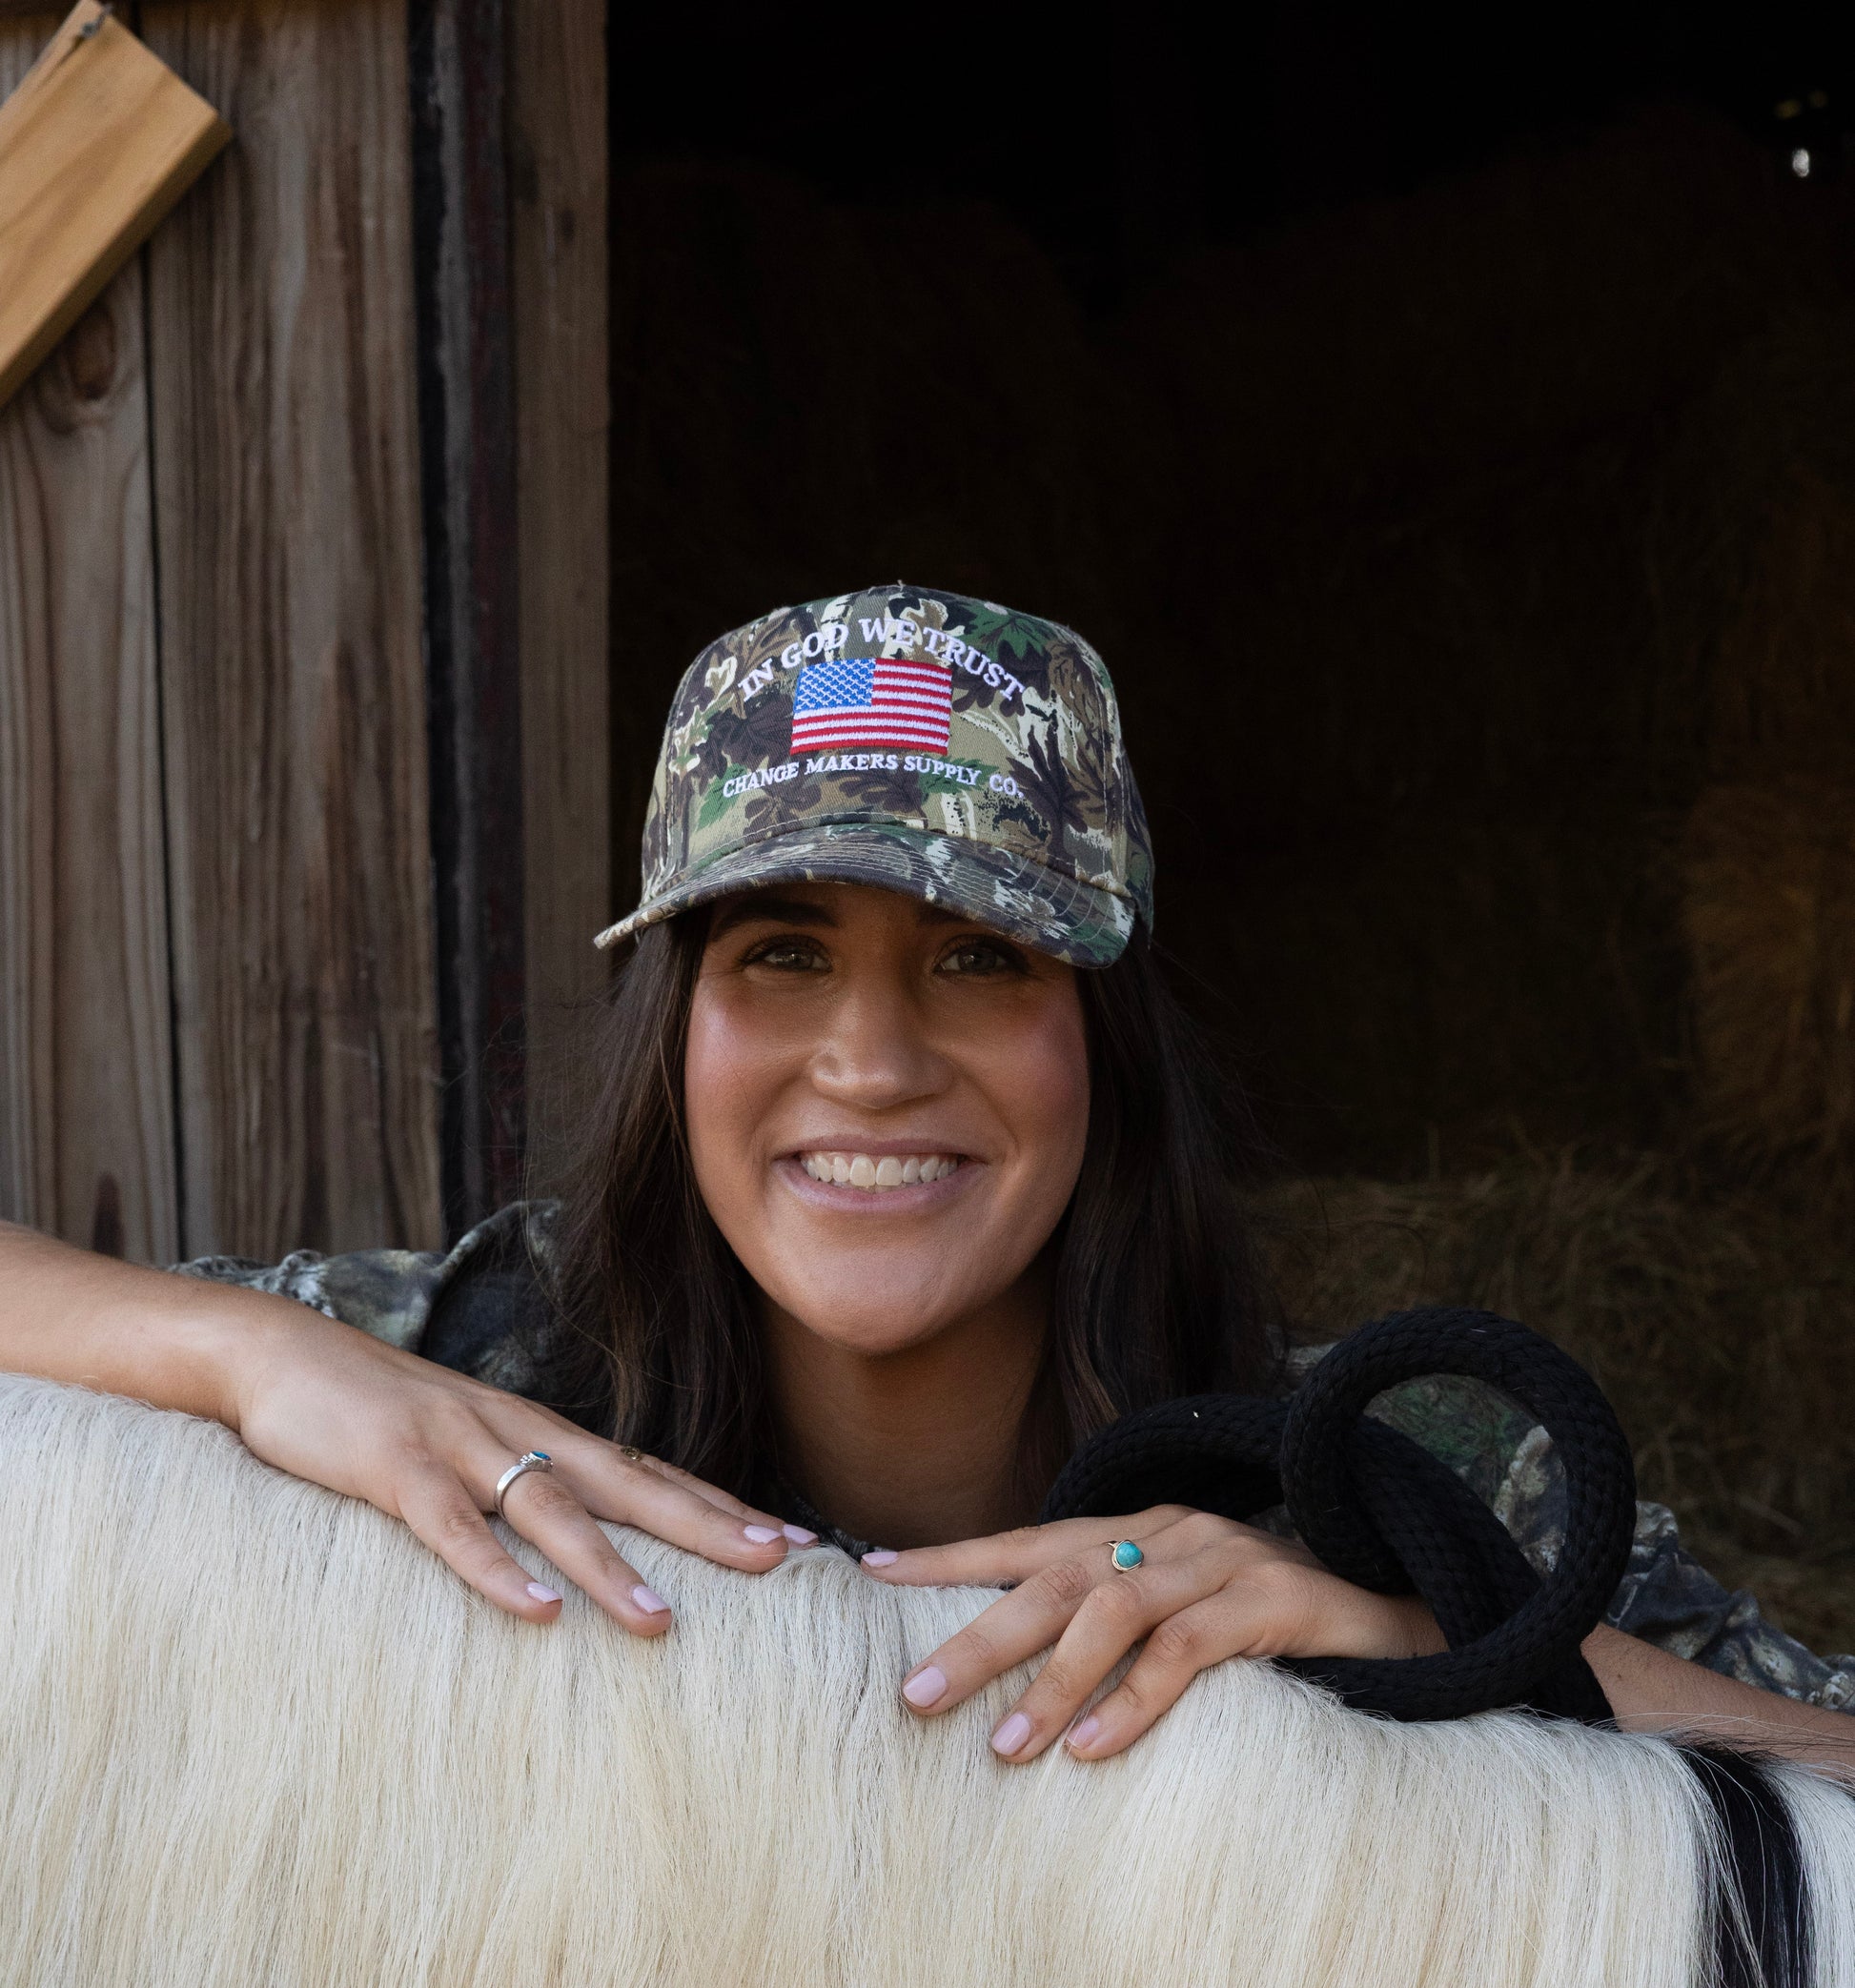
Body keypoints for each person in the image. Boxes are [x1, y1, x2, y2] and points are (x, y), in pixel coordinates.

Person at [4, 581, 1850, 1779]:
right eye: (781, 953)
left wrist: (1420, 1640)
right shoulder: (489, 1361)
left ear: (1102, 1042)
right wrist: (251, 1355)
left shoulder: (1395, 1479)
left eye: (979, 956)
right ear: (674, 1034)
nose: (872, 1060)